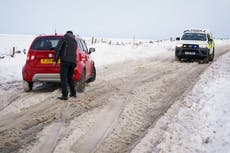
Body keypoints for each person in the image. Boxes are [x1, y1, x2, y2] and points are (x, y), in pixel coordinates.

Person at [53, 31, 77, 100]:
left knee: (63, 78)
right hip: (72, 62)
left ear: (66, 34)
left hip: (65, 61)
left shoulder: (64, 38)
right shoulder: (75, 41)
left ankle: (64, 95)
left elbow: (58, 49)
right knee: (70, 78)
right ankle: (73, 93)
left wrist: (55, 60)